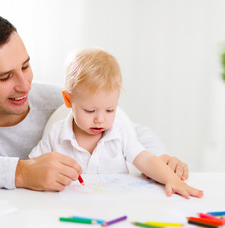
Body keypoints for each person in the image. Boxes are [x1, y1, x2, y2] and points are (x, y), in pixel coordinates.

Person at [0, 12, 188, 191]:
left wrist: (161, 158)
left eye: (25, 66)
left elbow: (129, 131)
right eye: (5, 78)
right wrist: (22, 173)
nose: (25, 85)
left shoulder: (58, 100)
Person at [29, 48, 203, 199]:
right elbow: (32, 166)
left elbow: (146, 159)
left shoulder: (119, 132)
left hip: (116, 207)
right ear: (68, 100)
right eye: (90, 111)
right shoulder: (56, 135)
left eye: (110, 110)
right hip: (69, 208)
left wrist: (171, 179)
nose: (100, 119)